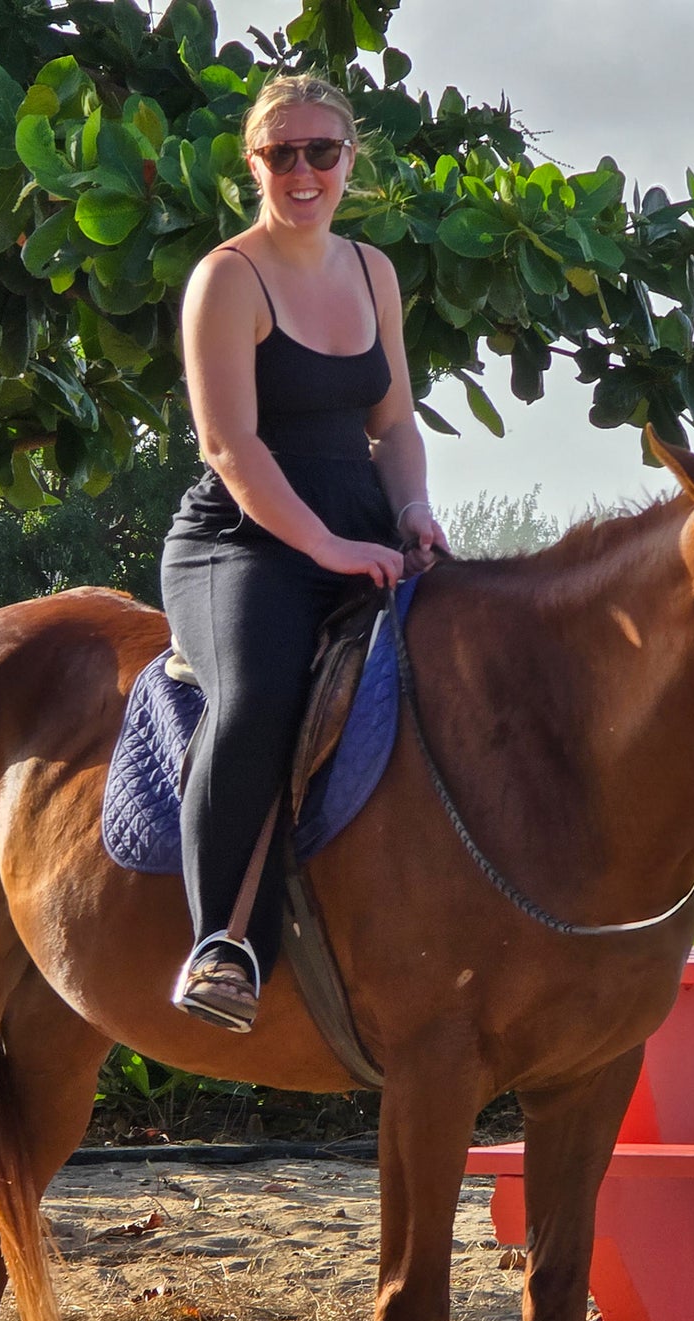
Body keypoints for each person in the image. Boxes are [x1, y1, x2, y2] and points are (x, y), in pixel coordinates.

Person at [162, 74, 447, 1033]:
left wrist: (412, 511)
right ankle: (221, 945)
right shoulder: (226, 279)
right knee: (256, 698)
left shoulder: (374, 272)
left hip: (362, 526)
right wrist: (325, 544)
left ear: (348, 160)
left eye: (321, 151)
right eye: (280, 153)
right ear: (253, 165)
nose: (302, 170)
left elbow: (393, 423)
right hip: (243, 541)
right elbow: (228, 445)